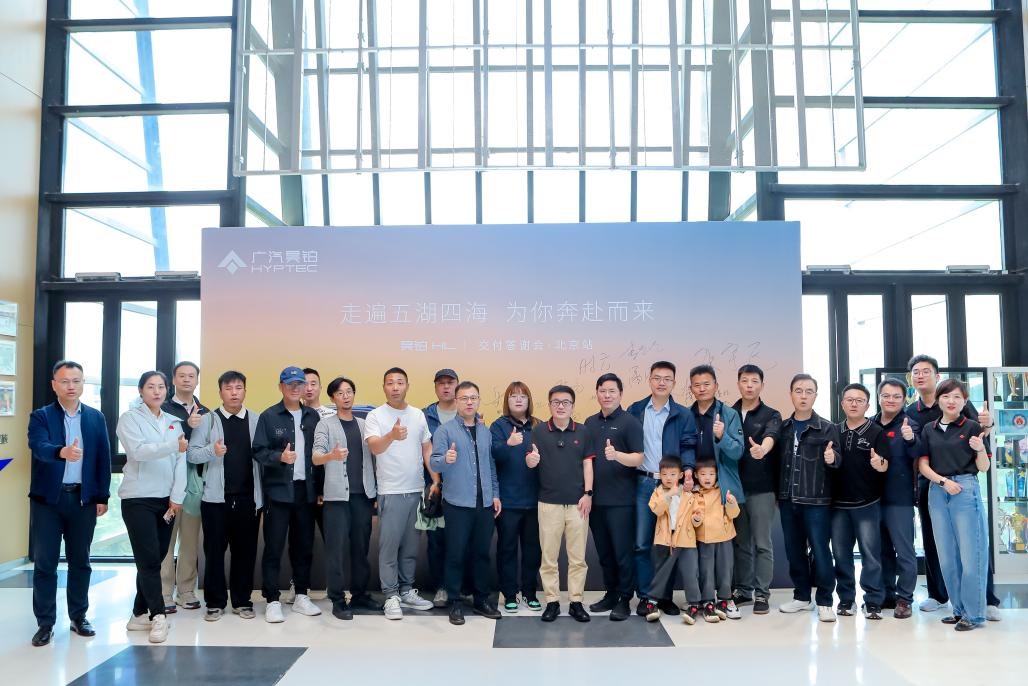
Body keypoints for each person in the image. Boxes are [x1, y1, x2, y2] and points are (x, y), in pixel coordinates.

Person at [905, 354, 1001, 620]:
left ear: (937, 376)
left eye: (926, 371)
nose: (920, 375)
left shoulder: (961, 408)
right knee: (938, 545)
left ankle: (984, 602)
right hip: (931, 484)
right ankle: (942, 597)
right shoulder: (913, 412)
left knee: (973, 548)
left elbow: (981, 434)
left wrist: (989, 426)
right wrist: (937, 481)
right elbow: (918, 455)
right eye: (916, 371)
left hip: (963, 484)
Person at [27, 360, 112, 647]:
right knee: (45, 563)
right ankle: (45, 623)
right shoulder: (41, 416)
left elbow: (103, 459)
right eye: (64, 381)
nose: (71, 386)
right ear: (54, 385)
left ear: (83, 383)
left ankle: (79, 616)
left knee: (80, 561)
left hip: (83, 500)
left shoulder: (95, 417)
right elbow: (38, 447)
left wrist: (102, 496)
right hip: (47, 501)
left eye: (76, 381)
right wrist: (60, 452)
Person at [116, 371, 187, 644]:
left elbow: (181, 462)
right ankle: (158, 615)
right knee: (147, 559)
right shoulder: (129, 419)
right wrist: (173, 445)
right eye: (150, 387)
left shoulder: (174, 422)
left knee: (155, 557)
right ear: (141, 391)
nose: (157, 391)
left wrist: (177, 497)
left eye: (161, 387)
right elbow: (138, 451)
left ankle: (138, 614)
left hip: (166, 500)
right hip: (138, 498)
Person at [187, 370, 262, 622]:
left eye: (238, 388)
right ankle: (215, 602)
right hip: (215, 500)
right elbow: (192, 454)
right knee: (214, 552)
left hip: (248, 499)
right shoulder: (208, 420)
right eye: (228, 388)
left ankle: (242, 601)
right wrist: (212, 450)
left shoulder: (256, 420)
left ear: (245, 391)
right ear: (220, 392)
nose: (233, 393)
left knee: (245, 553)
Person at [918, 378, 991, 632]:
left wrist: (980, 449)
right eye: (946, 396)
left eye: (957, 397)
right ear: (938, 400)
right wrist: (942, 482)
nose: (951, 401)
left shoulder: (972, 426)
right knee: (947, 558)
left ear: (965, 401)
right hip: (938, 491)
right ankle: (958, 610)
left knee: (971, 556)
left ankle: (975, 614)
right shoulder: (928, 429)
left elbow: (984, 467)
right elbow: (923, 465)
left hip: (965, 489)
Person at [365, 367, 437, 620]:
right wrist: (392, 435)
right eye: (390, 383)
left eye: (400, 382)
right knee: (389, 548)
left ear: (407, 385)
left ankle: (407, 590)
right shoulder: (375, 415)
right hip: (391, 491)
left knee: (410, 547)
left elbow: (427, 448)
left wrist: (435, 479)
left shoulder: (417, 415)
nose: (395, 387)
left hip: (416, 490)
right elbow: (375, 447)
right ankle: (391, 595)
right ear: (384, 387)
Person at [627, 361, 698, 616]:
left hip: (672, 486)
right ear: (649, 380)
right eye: (657, 377)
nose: (661, 382)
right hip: (643, 482)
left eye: (667, 379)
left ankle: (664, 597)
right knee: (641, 543)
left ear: (674, 383)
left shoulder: (682, 414)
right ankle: (646, 597)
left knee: (669, 544)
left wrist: (687, 469)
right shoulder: (635, 410)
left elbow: (688, 445)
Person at [252, 366, 322, 622]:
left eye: (299, 384)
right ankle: (272, 599)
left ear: (305, 387)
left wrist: (320, 490)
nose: (295, 388)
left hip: (306, 491)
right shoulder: (269, 416)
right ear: (281, 387)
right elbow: (258, 451)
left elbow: (319, 454)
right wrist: (278, 457)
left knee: (303, 546)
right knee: (274, 546)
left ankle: (301, 594)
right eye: (290, 384)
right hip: (278, 492)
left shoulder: (313, 416)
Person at [429, 381, 503, 625]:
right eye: (464, 398)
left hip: (484, 504)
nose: (469, 402)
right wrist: (446, 459)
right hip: (457, 504)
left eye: (473, 398)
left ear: (479, 400)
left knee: (481, 554)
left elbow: (491, 466)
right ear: (456, 402)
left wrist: (495, 494)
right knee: (456, 554)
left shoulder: (485, 431)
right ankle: (455, 602)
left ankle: (481, 600)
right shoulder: (445, 431)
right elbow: (434, 463)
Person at [312, 376, 379, 620]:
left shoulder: (364, 425)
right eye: (340, 393)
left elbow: (374, 458)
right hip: (337, 498)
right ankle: (338, 599)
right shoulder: (325, 425)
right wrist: (331, 456)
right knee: (336, 550)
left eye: (349, 391)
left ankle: (360, 595)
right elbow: (315, 457)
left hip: (363, 496)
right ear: (332, 398)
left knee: (361, 549)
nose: (346, 396)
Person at [777, 373, 842, 623]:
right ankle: (802, 597)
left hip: (816, 501)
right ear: (790, 394)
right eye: (798, 391)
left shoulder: (827, 427)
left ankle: (825, 601)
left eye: (808, 391)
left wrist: (832, 458)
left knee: (820, 551)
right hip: (788, 499)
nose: (803, 396)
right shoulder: (783, 428)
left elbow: (838, 461)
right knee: (794, 551)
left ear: (816, 395)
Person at [526, 385, 595, 622]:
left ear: (572, 406)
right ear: (549, 405)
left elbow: (588, 464)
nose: (561, 406)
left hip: (578, 504)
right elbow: (530, 460)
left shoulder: (583, 431)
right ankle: (552, 602)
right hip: (548, 503)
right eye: (556, 402)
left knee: (578, 558)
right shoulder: (538, 431)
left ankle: (576, 602)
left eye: (566, 402)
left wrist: (588, 494)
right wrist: (531, 460)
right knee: (549, 558)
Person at [585, 373, 644, 621]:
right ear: (597, 393)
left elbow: (639, 458)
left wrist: (617, 455)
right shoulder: (590, 422)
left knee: (622, 553)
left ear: (620, 394)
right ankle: (610, 593)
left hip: (622, 501)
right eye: (602, 391)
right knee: (605, 553)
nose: (607, 395)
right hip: (596, 501)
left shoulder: (630, 422)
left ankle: (624, 598)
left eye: (612, 391)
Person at [831, 383, 890, 620]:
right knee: (841, 554)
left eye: (859, 400)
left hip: (867, 503)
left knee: (871, 555)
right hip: (838, 506)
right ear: (842, 404)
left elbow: (885, 465)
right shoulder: (834, 430)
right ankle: (846, 599)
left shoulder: (876, 432)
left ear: (867, 405)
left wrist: (879, 463)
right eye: (849, 400)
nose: (854, 404)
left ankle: (873, 600)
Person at [731, 364, 781, 615]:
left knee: (762, 543)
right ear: (738, 383)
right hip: (734, 490)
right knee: (741, 543)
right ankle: (743, 590)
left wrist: (763, 448)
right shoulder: (728, 413)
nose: (749, 385)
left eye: (754, 381)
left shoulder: (772, 414)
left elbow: (772, 435)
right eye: (745, 380)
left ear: (762, 385)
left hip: (762, 489)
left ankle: (762, 594)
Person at [159, 361, 208, 614]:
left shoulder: (206, 411)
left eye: (191, 376)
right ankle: (164, 592)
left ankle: (186, 590)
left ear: (197, 380)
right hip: (166, 483)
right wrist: (188, 424)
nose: (187, 379)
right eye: (182, 375)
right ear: (173, 380)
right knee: (165, 541)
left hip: (194, 483)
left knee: (189, 540)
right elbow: (167, 443)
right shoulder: (162, 409)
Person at [490, 381, 542, 613]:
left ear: (529, 400)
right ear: (507, 401)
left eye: (523, 396)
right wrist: (508, 444)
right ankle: (509, 594)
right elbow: (492, 456)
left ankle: (530, 592)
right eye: (513, 396)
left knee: (533, 550)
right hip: (508, 501)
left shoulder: (539, 426)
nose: (518, 400)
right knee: (507, 549)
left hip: (535, 501)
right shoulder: (498, 426)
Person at [873, 377, 921, 619]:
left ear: (904, 400)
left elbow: (919, 452)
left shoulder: (909, 425)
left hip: (899, 499)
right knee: (881, 551)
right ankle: (886, 594)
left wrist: (910, 438)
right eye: (886, 396)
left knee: (904, 552)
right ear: (878, 397)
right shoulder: (869, 424)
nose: (890, 400)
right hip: (872, 498)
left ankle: (905, 599)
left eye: (896, 397)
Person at [640, 456, 702, 625]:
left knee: (691, 573)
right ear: (660, 475)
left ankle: (694, 605)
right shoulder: (658, 492)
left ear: (681, 475)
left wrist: (697, 519)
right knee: (661, 571)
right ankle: (652, 603)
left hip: (686, 539)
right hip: (664, 539)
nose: (668, 478)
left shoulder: (688, 494)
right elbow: (656, 510)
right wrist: (668, 495)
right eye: (664, 474)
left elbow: (697, 515)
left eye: (673, 474)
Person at [423, 369, 459, 607]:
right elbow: (425, 449)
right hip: (434, 487)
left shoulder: (469, 412)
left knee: (460, 539)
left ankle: (460, 586)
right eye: (441, 383)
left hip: (462, 487)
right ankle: (441, 588)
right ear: (435, 387)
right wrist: (436, 481)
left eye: (450, 383)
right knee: (436, 540)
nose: (446, 387)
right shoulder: (425, 415)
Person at [693, 458, 742, 622]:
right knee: (706, 571)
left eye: (711, 474)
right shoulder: (694, 494)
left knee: (725, 569)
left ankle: (725, 599)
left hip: (725, 536)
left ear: (717, 475)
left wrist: (732, 503)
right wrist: (696, 520)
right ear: (696, 475)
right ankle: (707, 601)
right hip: (705, 538)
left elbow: (734, 514)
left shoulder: (723, 490)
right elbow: (693, 519)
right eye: (703, 474)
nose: (707, 478)